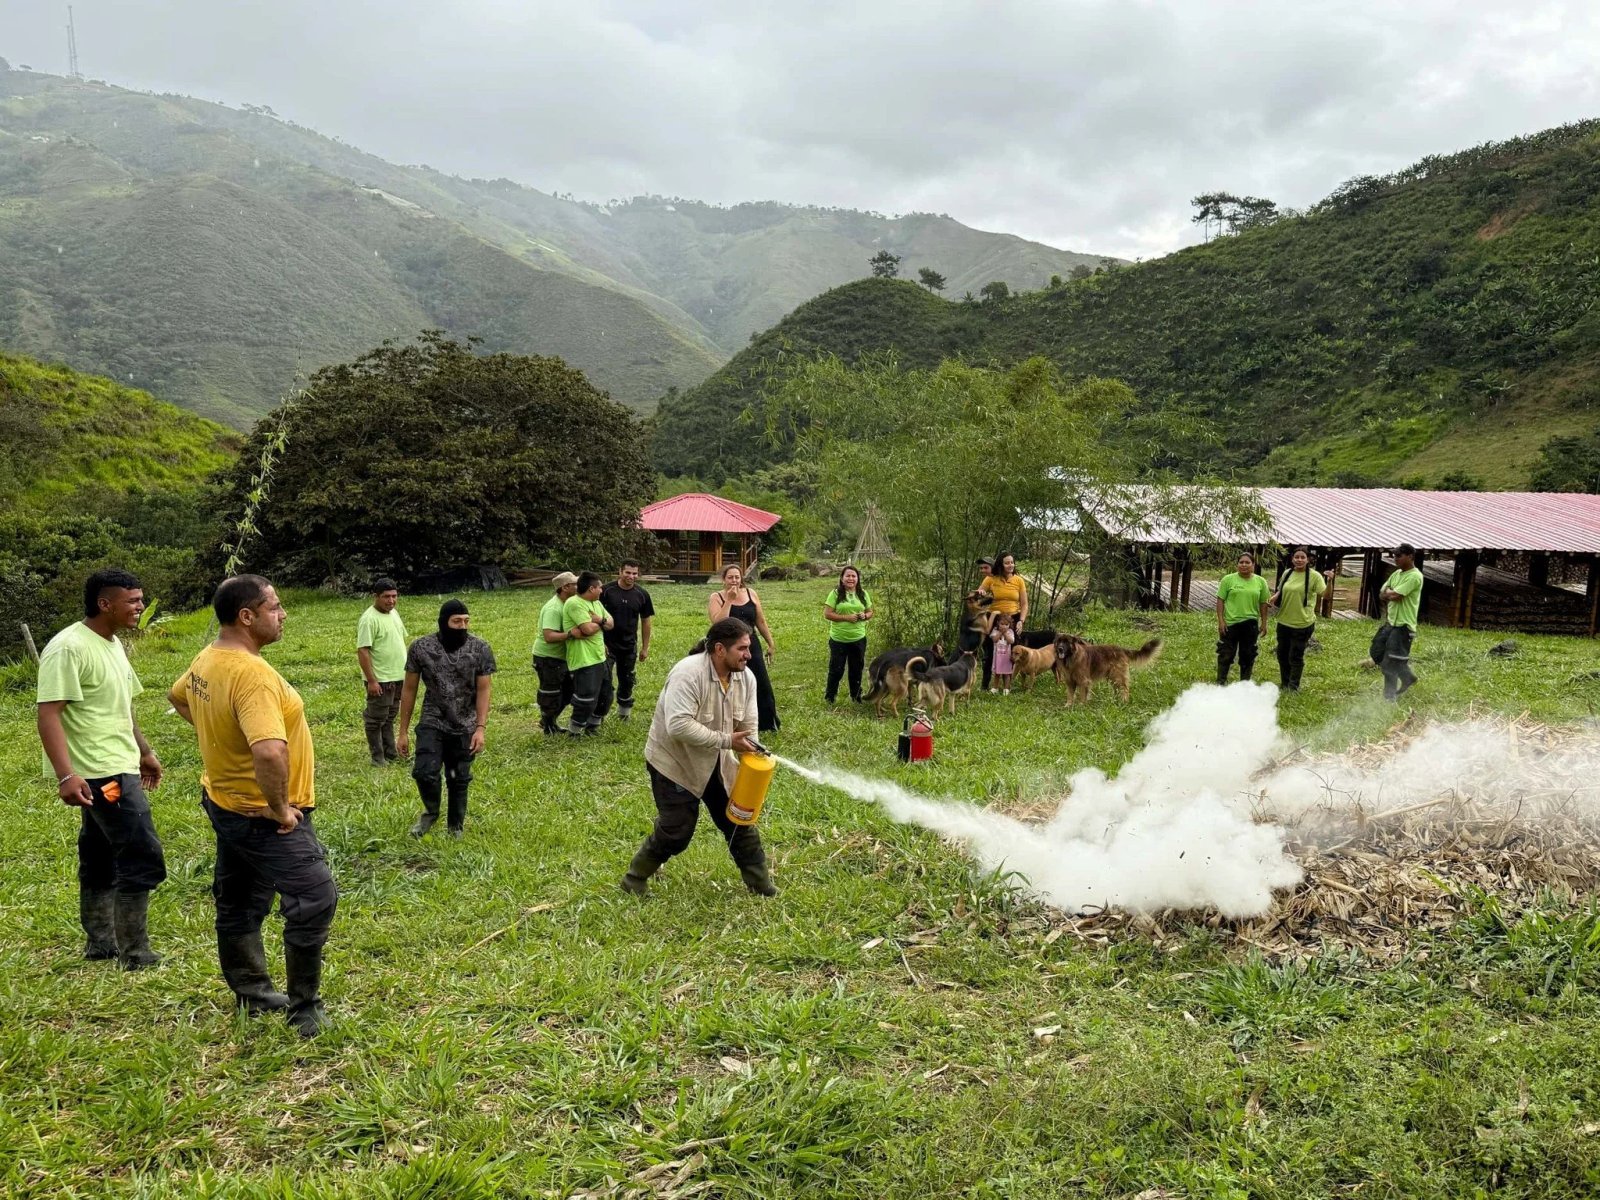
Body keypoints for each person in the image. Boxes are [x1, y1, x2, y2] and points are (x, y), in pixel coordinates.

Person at [168, 575, 337, 1036]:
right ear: (247, 616)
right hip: (264, 817)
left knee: (240, 898)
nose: (283, 615)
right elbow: (268, 751)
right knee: (314, 896)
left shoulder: (210, 657)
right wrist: (280, 808)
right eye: (275, 607)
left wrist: (222, 742)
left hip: (225, 802)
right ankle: (304, 1007)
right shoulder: (252, 675)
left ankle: (252, 992)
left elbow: (179, 696)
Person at [36, 568, 167, 970]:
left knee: (99, 853)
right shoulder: (69, 648)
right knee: (141, 852)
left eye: (141, 599)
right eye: (132, 601)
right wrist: (65, 774)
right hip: (101, 775)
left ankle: (101, 942)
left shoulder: (112, 645)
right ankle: (136, 952)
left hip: (119, 763)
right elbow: (49, 713)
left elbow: (122, 705)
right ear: (104, 603)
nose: (140, 607)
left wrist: (144, 750)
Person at [619, 617, 776, 897]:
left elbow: (748, 727)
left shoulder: (746, 677)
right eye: (741, 648)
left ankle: (762, 886)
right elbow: (678, 726)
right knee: (677, 830)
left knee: (739, 820)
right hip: (674, 763)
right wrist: (728, 740)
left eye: (749, 647)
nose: (749, 655)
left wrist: (751, 747)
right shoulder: (688, 673)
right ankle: (634, 879)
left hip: (717, 761)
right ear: (719, 649)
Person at [397, 599, 496, 836]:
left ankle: (456, 826)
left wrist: (480, 728)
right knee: (424, 771)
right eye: (456, 621)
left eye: (466, 621)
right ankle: (431, 812)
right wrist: (402, 732)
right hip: (433, 720)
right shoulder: (421, 648)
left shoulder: (480, 648)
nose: (462, 626)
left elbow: (484, 689)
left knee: (458, 778)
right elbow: (409, 689)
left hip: (465, 724)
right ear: (444, 622)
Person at [708, 564, 780, 732]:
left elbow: (760, 621)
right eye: (730, 577)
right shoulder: (716, 597)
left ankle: (768, 723)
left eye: (737, 577)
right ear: (723, 579)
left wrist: (770, 643)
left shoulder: (751, 593)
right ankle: (729, 723)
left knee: (761, 681)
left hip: (750, 643)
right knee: (730, 684)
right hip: (728, 647)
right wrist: (730, 600)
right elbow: (718, 623)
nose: (734, 581)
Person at [356, 578, 407, 766]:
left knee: (389, 716)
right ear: (376, 597)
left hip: (398, 676)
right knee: (375, 719)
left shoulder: (394, 614)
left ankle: (391, 753)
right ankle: (377, 758)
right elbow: (363, 650)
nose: (391, 601)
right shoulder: (368, 619)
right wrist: (372, 680)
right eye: (386, 597)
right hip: (381, 679)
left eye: (394, 596)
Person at [1269, 548, 1334, 693]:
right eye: (1296, 557)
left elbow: (1326, 595)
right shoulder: (1287, 573)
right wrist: (1274, 598)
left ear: (1308, 560)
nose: (1299, 560)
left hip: (1303, 623)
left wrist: (1330, 581)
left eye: (1302, 557)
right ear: (1292, 559)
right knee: (1282, 654)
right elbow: (1281, 589)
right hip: (1284, 621)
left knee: (1295, 655)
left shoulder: (1314, 576)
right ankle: (1285, 682)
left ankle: (1294, 686)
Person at [601, 560, 655, 722]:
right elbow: (594, 617)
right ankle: (599, 714)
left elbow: (646, 621)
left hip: (629, 645)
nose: (631, 576)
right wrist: (600, 643)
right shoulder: (605, 591)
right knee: (604, 680)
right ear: (620, 572)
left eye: (634, 573)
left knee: (627, 679)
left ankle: (624, 713)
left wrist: (645, 647)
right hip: (606, 646)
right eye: (628, 572)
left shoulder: (642, 594)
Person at [564, 572, 614, 736]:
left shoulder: (596, 603)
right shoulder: (574, 603)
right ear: (592, 588)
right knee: (586, 698)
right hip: (584, 659)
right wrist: (602, 622)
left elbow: (611, 623)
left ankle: (592, 726)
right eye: (600, 587)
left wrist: (599, 620)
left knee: (606, 695)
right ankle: (575, 731)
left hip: (600, 657)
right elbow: (587, 629)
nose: (602, 590)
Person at [534, 572, 579, 735]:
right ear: (565, 587)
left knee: (569, 691)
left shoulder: (568, 604)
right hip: (548, 658)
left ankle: (549, 720)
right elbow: (549, 636)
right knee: (550, 693)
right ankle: (548, 726)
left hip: (562, 657)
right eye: (575, 584)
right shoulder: (554, 608)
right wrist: (572, 634)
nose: (578, 586)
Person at [1378, 544, 1424, 702]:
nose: (1395, 559)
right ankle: (1408, 677)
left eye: (1399, 556)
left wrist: (1392, 592)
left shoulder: (1415, 576)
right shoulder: (1396, 573)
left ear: (1410, 556)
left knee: (1390, 662)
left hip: (1404, 626)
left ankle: (1389, 697)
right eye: (1395, 556)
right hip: (1390, 623)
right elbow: (1382, 593)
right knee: (1376, 651)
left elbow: (1396, 594)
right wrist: (1391, 593)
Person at [822, 564, 874, 704]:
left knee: (856, 669)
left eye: (853, 576)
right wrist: (847, 618)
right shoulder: (835, 594)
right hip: (839, 639)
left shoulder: (863, 594)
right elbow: (827, 614)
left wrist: (865, 615)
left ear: (857, 578)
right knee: (836, 669)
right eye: (848, 576)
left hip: (858, 639)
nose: (851, 578)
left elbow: (870, 611)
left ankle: (856, 696)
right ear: (842, 578)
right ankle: (830, 696)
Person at [1216, 552, 1270, 684]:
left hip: (1250, 624)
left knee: (1248, 655)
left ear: (1253, 565)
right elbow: (1220, 600)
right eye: (1241, 562)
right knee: (1226, 654)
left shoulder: (1260, 582)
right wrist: (1221, 621)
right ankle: (1220, 683)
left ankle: (1244, 685)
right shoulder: (1228, 580)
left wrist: (1264, 623)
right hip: (1231, 623)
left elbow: (1263, 603)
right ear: (1237, 564)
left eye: (1247, 562)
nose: (1244, 565)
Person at [979, 552, 1028, 690]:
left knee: (1013, 651)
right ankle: (985, 684)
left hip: (1013, 618)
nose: (1010, 565)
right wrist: (981, 592)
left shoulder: (1019, 580)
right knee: (989, 651)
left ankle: (1008, 685)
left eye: (1012, 562)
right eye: (1007, 563)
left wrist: (1021, 621)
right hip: (994, 618)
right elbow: (980, 592)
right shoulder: (991, 579)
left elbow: (1024, 604)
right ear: (1000, 564)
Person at [989, 612, 1017, 694]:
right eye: (1002, 624)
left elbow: (1011, 641)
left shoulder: (1010, 631)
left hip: (1007, 658)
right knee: (997, 674)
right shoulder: (995, 630)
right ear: (998, 623)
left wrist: (1005, 633)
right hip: (997, 657)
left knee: (1007, 673)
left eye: (1006, 624)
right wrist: (1000, 633)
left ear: (1009, 625)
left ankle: (1006, 688)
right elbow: (994, 640)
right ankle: (995, 688)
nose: (1004, 626)